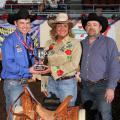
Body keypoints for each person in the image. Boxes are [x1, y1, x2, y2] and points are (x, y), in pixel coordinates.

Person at [1, 8, 41, 120]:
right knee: (14, 114)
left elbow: (30, 58)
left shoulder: (29, 39)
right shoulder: (9, 41)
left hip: (24, 81)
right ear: (15, 23)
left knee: (25, 111)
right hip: (13, 82)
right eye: (22, 23)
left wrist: (36, 62)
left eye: (28, 23)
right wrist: (28, 70)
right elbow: (8, 65)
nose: (25, 26)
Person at [80, 13, 120, 120]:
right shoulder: (81, 44)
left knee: (105, 116)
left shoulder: (109, 43)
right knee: (90, 116)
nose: (91, 27)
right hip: (85, 87)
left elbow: (115, 66)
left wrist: (111, 87)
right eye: (88, 25)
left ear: (100, 27)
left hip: (102, 86)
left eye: (94, 24)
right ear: (85, 28)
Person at [39, 13, 82, 106]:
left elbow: (74, 64)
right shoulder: (49, 43)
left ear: (68, 28)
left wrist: (52, 69)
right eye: (59, 26)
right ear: (55, 28)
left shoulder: (75, 43)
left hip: (67, 84)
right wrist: (44, 86)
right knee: (51, 112)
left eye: (65, 26)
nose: (62, 28)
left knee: (67, 113)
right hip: (50, 83)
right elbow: (44, 63)